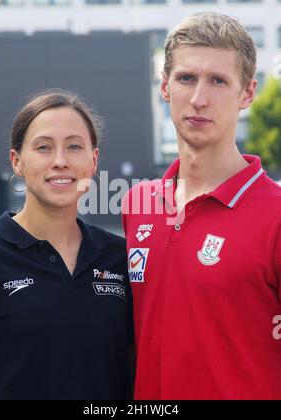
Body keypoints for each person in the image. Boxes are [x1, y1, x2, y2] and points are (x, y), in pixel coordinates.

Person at [123, 12, 281, 400]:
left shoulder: (276, 215)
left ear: (247, 93)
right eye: (186, 78)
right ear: (165, 87)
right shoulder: (137, 204)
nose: (198, 99)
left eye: (218, 81)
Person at [0, 89, 133, 400]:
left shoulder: (120, 258)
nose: (60, 161)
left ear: (93, 161)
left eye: (74, 147)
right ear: (17, 161)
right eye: (44, 147)